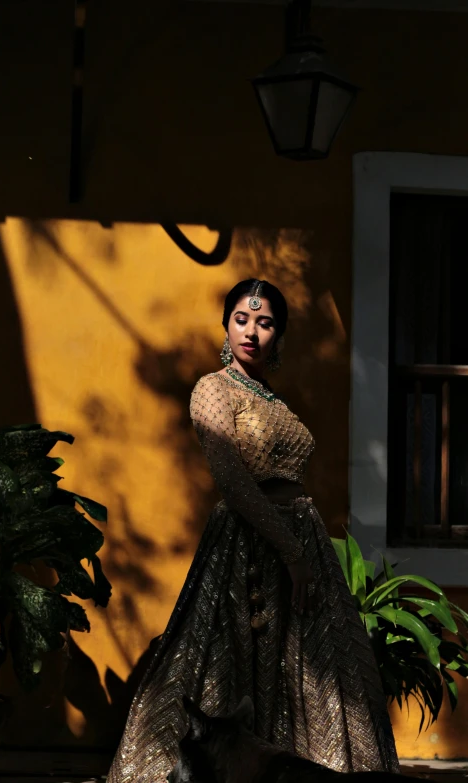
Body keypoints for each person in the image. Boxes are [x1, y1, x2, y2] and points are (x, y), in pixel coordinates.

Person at [107, 279, 399, 783]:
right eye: (242, 318)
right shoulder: (213, 389)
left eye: (265, 323)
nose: (252, 331)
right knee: (229, 671)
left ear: (278, 336)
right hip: (246, 547)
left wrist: (301, 549)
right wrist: (290, 552)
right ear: (226, 325)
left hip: (301, 544)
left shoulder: (275, 402)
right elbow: (234, 483)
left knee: (318, 682)